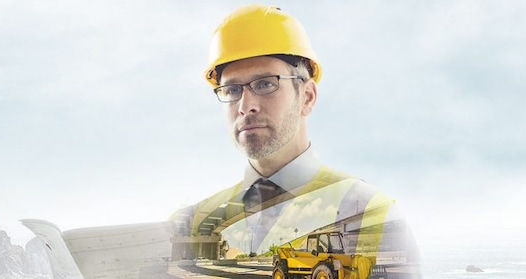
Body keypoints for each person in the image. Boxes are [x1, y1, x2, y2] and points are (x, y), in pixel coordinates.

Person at [171, 4, 421, 278]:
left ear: (307, 96)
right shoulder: (196, 220)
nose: (245, 106)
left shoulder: (374, 214)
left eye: (265, 84)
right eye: (231, 89)